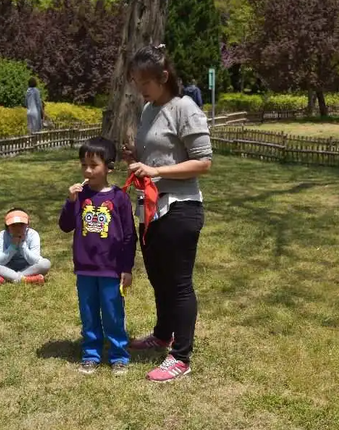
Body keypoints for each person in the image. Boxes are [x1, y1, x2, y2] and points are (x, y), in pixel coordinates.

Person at [124, 44, 212, 382]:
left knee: (178, 284)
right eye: (136, 82)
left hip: (180, 208)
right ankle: (162, 335)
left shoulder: (185, 108)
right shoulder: (148, 109)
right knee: (159, 278)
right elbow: (156, 155)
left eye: (145, 82)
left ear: (163, 77)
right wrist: (136, 154)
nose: (140, 89)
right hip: (150, 208)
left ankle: (181, 356)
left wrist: (157, 171)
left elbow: (203, 162)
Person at [59, 137, 137, 376]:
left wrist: (126, 268)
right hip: (85, 268)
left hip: (111, 269)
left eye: (93, 165)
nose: (87, 170)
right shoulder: (80, 197)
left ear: (109, 168)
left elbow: (129, 236)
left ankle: (119, 355)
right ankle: (91, 353)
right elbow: (65, 226)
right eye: (84, 165)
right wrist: (70, 201)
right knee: (89, 313)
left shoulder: (119, 198)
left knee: (113, 313)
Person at [0, 208, 51, 284]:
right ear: (7, 226)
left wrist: (22, 245)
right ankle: (25, 279)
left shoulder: (33, 235)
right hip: (7, 266)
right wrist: (13, 246)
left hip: (28, 267)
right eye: (13, 225)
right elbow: (0, 261)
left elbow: (34, 261)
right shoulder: (2, 235)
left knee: (45, 264)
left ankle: (8, 278)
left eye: (21, 224)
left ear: (27, 225)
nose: (18, 228)